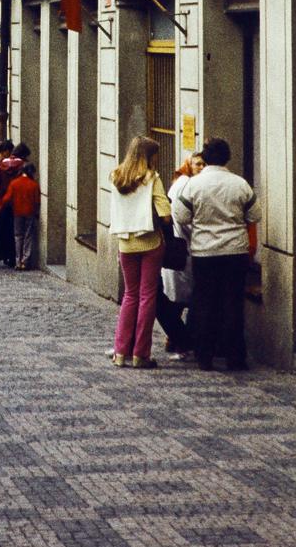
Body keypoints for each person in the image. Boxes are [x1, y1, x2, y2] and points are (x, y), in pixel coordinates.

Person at [172, 137, 258, 372]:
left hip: (205, 251)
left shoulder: (194, 185)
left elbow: (181, 215)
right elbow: (255, 215)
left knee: (204, 303)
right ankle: (235, 357)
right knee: (233, 303)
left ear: (206, 158)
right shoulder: (240, 184)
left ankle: (205, 356)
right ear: (227, 157)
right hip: (235, 251)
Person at [109, 136, 172, 369]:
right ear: (148, 156)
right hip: (150, 243)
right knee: (147, 297)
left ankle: (120, 352)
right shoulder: (152, 178)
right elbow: (165, 214)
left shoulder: (116, 176)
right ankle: (140, 354)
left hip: (125, 243)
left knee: (130, 295)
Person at [158, 151, 204, 359]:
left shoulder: (185, 183)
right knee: (179, 298)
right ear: (188, 166)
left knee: (177, 296)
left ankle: (176, 339)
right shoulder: (185, 184)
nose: (201, 168)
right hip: (183, 248)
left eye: (204, 164)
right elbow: (184, 218)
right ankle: (180, 340)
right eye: (197, 164)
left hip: (181, 248)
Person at [2, 161, 40, 270]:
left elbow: (7, 198)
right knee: (28, 236)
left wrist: (4, 207)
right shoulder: (34, 185)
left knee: (18, 236)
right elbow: (37, 201)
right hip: (30, 212)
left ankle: (18, 261)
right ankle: (25, 261)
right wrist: (36, 212)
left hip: (17, 212)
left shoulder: (14, 183)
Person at [0, 141, 23, 268]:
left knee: (3, 229)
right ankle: (12, 256)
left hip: (3, 201)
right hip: (16, 202)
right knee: (14, 230)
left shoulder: (0, 166)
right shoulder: (20, 166)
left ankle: (4, 255)